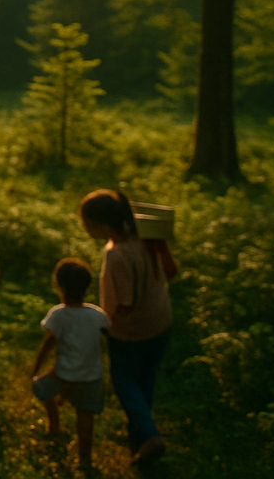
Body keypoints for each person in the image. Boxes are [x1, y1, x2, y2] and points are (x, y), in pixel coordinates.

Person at [80, 189, 178, 464]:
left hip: (131, 331)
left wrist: (103, 326)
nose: (84, 228)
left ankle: (149, 436)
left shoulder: (116, 255)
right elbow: (171, 271)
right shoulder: (145, 238)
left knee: (125, 383)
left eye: (86, 223)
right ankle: (139, 435)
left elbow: (124, 303)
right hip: (160, 321)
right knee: (145, 381)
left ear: (101, 225)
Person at [30, 258, 109, 469]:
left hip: (64, 374)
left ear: (60, 287)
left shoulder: (59, 315)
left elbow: (48, 343)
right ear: (87, 287)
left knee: (40, 387)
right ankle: (85, 458)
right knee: (85, 416)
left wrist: (35, 369)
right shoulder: (98, 315)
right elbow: (108, 339)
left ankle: (54, 425)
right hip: (92, 376)